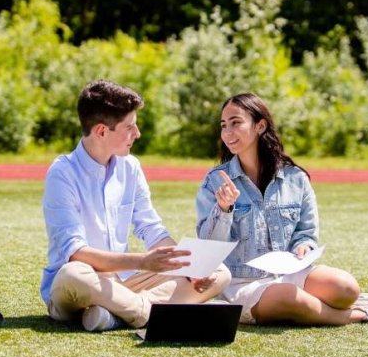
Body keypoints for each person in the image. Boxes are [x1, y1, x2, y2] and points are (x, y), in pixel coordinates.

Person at [196, 92, 368, 326]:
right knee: (289, 298)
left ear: (260, 126)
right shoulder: (215, 181)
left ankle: (353, 302)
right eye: (224, 125)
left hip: (288, 273)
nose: (227, 132)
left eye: (236, 123)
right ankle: (364, 315)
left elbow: (306, 233)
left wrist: (304, 246)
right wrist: (224, 210)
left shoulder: (295, 178)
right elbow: (207, 248)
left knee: (346, 287)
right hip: (240, 283)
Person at [41, 79, 230, 331]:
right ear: (101, 131)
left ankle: (112, 316)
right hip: (79, 288)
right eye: (129, 127)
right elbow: (76, 252)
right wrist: (142, 261)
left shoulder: (131, 167)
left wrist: (188, 267)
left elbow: (152, 229)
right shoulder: (62, 173)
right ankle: (147, 313)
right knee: (73, 273)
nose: (137, 134)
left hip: (124, 284)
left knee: (218, 271)